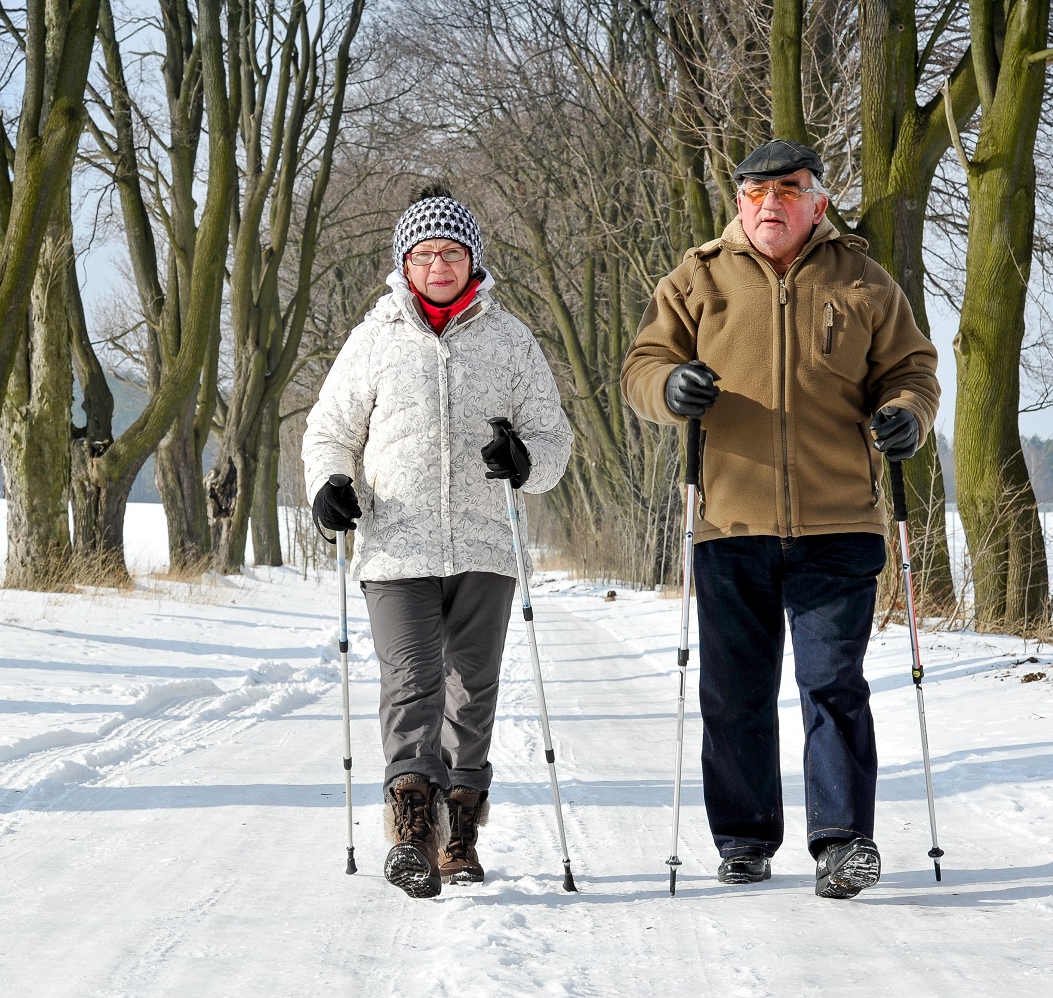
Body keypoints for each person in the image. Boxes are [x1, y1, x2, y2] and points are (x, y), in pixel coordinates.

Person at [620, 139, 939, 900]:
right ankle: (743, 838)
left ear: (818, 201)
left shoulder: (863, 279)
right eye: (757, 192)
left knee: (833, 683)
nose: (771, 203)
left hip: (840, 522)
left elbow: (912, 372)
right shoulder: (697, 279)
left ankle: (843, 843)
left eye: (789, 190)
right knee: (736, 691)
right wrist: (671, 387)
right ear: (739, 204)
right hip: (730, 522)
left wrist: (906, 417)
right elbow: (641, 366)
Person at [302, 185, 572, 899]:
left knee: (471, 689)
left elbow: (554, 441)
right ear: (405, 264)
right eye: (424, 254)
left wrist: (526, 461)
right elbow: (329, 428)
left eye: (451, 251)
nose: (438, 264)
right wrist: (328, 483)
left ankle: (460, 834)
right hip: (395, 546)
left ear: (472, 258)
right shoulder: (374, 339)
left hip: (486, 544)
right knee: (412, 681)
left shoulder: (510, 339)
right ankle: (413, 835)